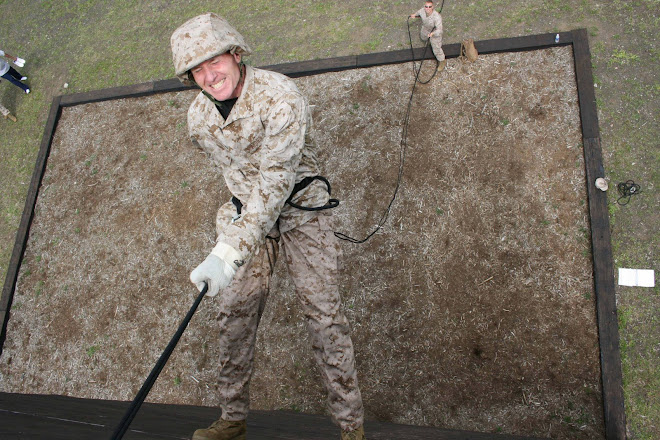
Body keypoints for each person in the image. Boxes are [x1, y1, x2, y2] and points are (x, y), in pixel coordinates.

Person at [170, 13, 365, 440]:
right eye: (196, 69)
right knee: (233, 314)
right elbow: (236, 175)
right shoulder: (198, 120)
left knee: (324, 317)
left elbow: (276, 181)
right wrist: (236, 231)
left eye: (214, 61)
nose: (208, 75)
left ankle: (352, 429)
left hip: (299, 212)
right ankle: (232, 419)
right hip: (247, 218)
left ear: (236, 54)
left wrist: (228, 250)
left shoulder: (280, 96)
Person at [410, 1, 446, 67]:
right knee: (423, 37)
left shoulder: (437, 17)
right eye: (426, 7)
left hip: (435, 33)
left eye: (430, 7)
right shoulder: (422, 11)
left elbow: (440, 30)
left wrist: (433, 33)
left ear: (433, 7)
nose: (427, 8)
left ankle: (442, 61)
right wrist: (415, 15)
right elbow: (419, 12)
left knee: (436, 48)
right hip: (426, 29)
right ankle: (428, 41)